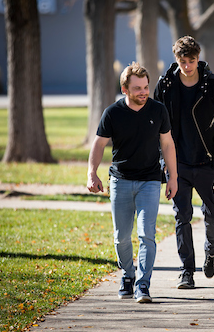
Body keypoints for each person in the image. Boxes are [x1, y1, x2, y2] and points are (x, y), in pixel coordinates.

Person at [87, 62, 178, 303]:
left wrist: (173, 177)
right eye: (137, 88)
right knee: (121, 237)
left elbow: (167, 144)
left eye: (146, 87)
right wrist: (91, 173)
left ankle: (143, 284)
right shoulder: (113, 113)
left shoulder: (158, 110)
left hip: (150, 180)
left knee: (147, 234)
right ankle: (127, 275)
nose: (143, 92)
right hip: (121, 181)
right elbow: (98, 144)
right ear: (125, 89)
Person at [154, 36, 214, 289]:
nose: (187, 66)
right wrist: (165, 165)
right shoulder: (165, 85)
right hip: (178, 164)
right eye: (183, 61)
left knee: (213, 213)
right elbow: (157, 128)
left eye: (192, 61)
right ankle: (186, 271)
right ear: (176, 60)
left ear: (199, 58)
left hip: (206, 161)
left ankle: (211, 252)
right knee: (181, 216)